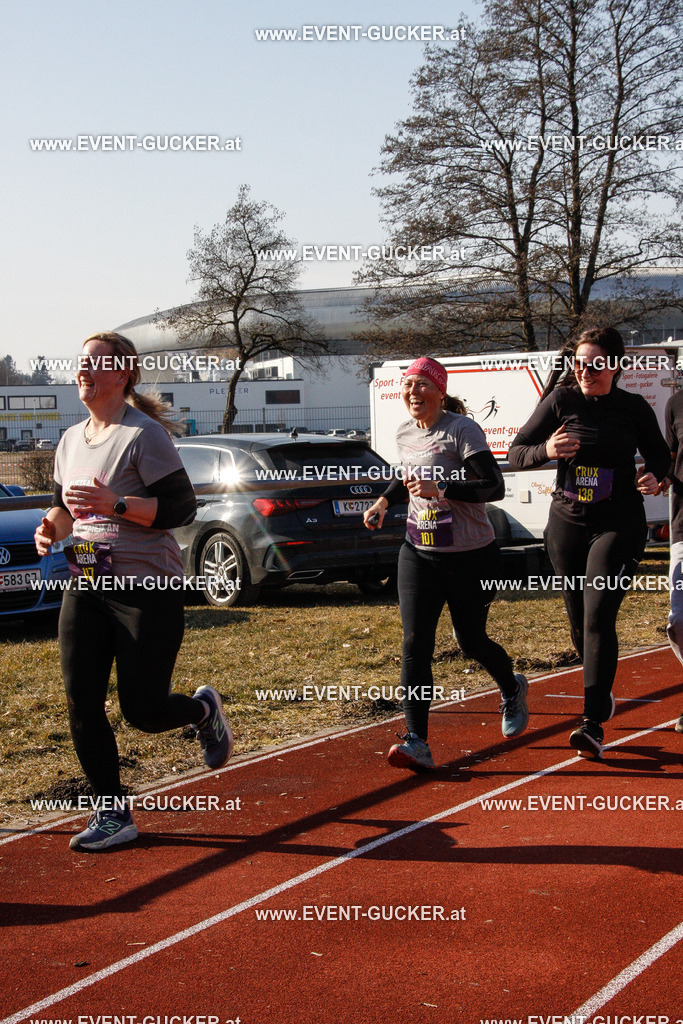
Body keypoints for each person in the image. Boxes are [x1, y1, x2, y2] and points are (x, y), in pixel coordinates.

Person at [34, 332, 234, 851]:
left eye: (95, 365)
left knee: (142, 712)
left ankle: (202, 712)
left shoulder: (144, 436)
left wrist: (115, 504)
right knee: (81, 700)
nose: (84, 372)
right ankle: (112, 813)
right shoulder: (71, 439)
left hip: (147, 588)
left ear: (123, 375)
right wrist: (50, 529)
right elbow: (63, 508)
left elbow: (181, 510)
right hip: (88, 583)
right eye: (80, 364)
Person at [508, 326, 670, 758]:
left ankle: (591, 722)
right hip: (567, 522)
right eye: (579, 363)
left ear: (615, 365)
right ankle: (602, 695)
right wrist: (547, 449)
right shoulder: (561, 401)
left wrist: (656, 475)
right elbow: (516, 452)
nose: (585, 371)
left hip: (617, 522)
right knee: (580, 622)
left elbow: (659, 454)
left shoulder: (633, 407)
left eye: (595, 364)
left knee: (599, 616)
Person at [363, 356, 528, 771]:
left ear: (440, 390)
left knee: (471, 641)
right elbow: (407, 479)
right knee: (415, 644)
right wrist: (384, 501)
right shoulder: (404, 432)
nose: (413, 394)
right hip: (418, 550)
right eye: (407, 387)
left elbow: (493, 486)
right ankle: (417, 739)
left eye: (421, 386)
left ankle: (511, 688)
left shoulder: (461, 429)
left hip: (470, 555)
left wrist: (444, 488)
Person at [662, 388, 683, 733]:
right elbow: (668, 459)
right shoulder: (676, 402)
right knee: (678, 623)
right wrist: (658, 476)